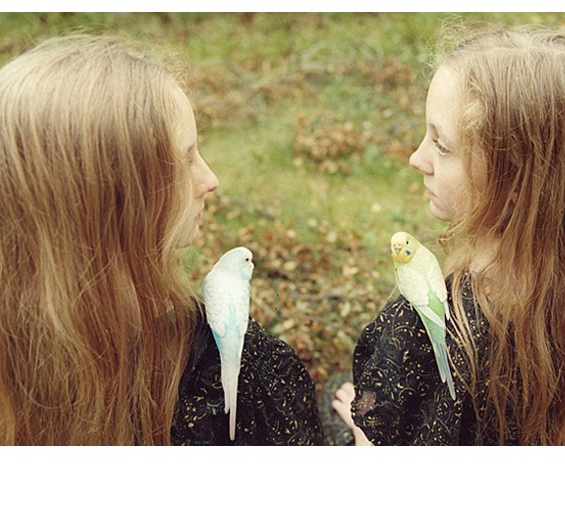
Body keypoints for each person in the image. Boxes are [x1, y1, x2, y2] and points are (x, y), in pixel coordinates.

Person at [0, 34, 323, 445]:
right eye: (185, 160)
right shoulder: (238, 380)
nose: (210, 179)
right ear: (114, 204)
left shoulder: (19, 358)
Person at [332, 27, 565, 445]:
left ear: (517, 183)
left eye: (441, 145)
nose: (417, 158)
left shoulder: (430, 331)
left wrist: (362, 434)